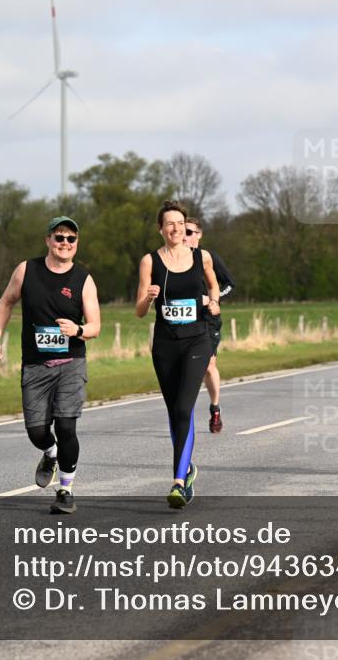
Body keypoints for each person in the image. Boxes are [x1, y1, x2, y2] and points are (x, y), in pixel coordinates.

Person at [0, 216, 101, 515]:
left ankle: (65, 490)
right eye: (59, 237)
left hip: (71, 363)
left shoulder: (83, 280)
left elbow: (95, 326)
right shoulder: (27, 270)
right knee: (37, 431)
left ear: (76, 244)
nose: (65, 243)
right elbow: (5, 303)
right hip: (36, 365)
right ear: (48, 240)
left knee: (66, 425)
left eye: (71, 239)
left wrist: (77, 330)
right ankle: (49, 453)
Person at [136, 201, 220, 509]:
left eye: (179, 223)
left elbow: (214, 286)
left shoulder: (202, 257)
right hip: (165, 344)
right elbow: (139, 311)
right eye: (169, 223)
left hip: (196, 341)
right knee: (175, 411)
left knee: (184, 408)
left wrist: (214, 303)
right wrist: (148, 297)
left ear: (186, 228)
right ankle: (188, 467)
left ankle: (179, 482)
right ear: (161, 229)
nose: (175, 228)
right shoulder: (150, 261)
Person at [183, 217, 235, 434]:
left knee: (208, 366)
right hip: (185, 319)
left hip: (208, 318)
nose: (185, 236)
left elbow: (230, 284)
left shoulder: (208, 257)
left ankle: (215, 408)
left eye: (189, 232)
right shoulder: (175, 259)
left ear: (199, 234)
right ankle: (184, 415)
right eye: (182, 231)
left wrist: (213, 300)